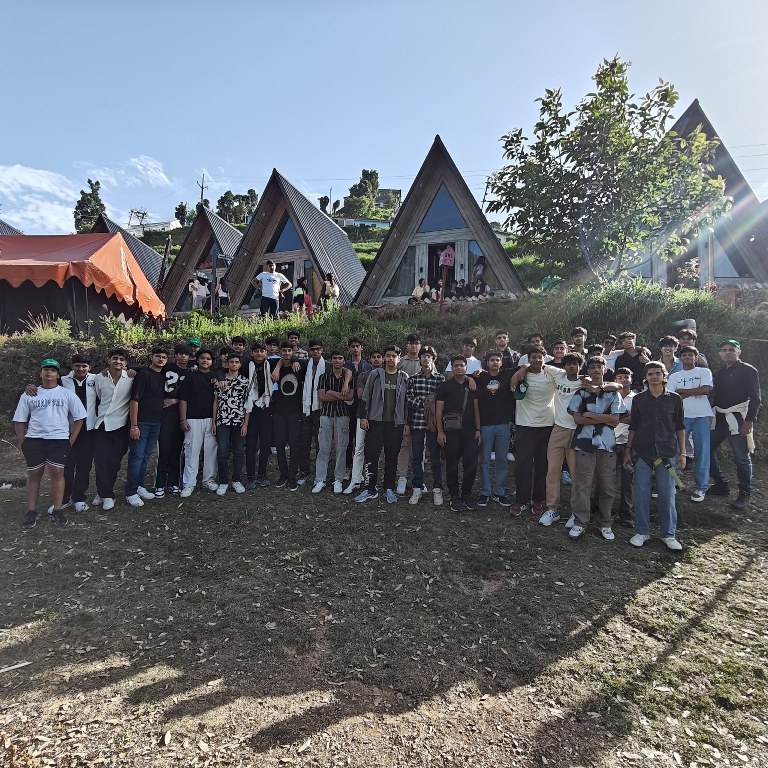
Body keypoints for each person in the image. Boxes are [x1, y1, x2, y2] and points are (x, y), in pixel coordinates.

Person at [14, 359, 87, 528]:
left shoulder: (66, 394)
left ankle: (58, 509)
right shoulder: (30, 394)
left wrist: (70, 440)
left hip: (59, 440)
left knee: (57, 472)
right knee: (34, 474)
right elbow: (19, 420)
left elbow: (80, 417)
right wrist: (23, 442)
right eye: (46, 369)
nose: (49, 372)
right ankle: (31, 511)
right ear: (40, 373)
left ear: (57, 374)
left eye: (53, 370)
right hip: (34, 440)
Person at [623, 362, 686, 551]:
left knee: (667, 495)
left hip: (666, 452)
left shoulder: (675, 399)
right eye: (650, 374)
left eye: (658, 373)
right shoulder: (639, 399)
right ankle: (641, 532)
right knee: (641, 493)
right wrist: (628, 450)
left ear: (664, 376)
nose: (654, 377)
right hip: (642, 451)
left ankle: (669, 534)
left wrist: (683, 452)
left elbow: (680, 426)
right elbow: (633, 426)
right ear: (646, 377)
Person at [566, 357, 625, 540]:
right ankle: (580, 521)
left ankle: (605, 522)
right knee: (583, 484)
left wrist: (591, 414)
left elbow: (615, 420)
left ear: (605, 369)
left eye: (599, 366)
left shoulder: (614, 393)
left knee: (607, 485)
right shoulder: (581, 393)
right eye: (592, 367)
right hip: (584, 443)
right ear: (588, 371)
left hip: (607, 444)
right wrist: (603, 418)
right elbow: (577, 419)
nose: (596, 370)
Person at [708, 339, 761, 509]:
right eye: (724, 350)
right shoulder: (721, 372)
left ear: (739, 352)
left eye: (731, 349)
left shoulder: (748, 370)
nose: (727, 352)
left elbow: (755, 398)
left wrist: (749, 421)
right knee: (705, 449)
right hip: (719, 418)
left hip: (738, 419)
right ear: (720, 354)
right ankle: (721, 483)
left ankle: (745, 492)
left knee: (741, 457)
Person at [356, 346, 409, 504]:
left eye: (394, 356)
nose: (391, 358)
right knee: (371, 455)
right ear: (384, 358)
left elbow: (407, 402)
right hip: (375, 422)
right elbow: (366, 396)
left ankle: (389, 488)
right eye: (388, 356)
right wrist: (363, 417)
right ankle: (370, 488)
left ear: (399, 359)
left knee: (392, 457)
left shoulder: (404, 377)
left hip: (395, 424)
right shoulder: (376, 374)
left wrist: (406, 422)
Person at [539, 353, 584, 526]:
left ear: (580, 366)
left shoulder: (584, 382)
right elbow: (537, 364)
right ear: (564, 366)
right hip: (558, 429)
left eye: (575, 364)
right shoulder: (558, 374)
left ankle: (576, 512)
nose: (572, 366)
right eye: (569, 364)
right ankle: (553, 509)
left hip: (577, 431)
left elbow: (606, 385)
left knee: (576, 474)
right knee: (552, 470)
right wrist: (521, 371)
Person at [666, 346, 713, 503]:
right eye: (684, 355)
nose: (687, 357)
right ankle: (673, 483)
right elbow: (672, 397)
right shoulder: (674, 376)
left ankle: (701, 487)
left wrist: (683, 391)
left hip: (702, 416)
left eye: (690, 355)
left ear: (696, 357)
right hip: (681, 416)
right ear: (680, 358)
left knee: (702, 452)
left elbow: (705, 390)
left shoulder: (704, 372)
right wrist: (694, 390)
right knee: (675, 451)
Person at [436, 356, 481, 512]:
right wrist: (440, 431)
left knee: (471, 463)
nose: (459, 368)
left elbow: (476, 408)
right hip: (451, 432)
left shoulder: (472, 386)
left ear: (466, 368)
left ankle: (466, 494)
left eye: (462, 365)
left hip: (470, 431)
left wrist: (478, 429)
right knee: (452, 464)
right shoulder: (445, 386)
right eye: (455, 365)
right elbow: (439, 410)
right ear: (452, 368)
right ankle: (454, 496)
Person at [126, 348, 168, 507]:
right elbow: (134, 400)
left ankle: (139, 486)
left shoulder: (163, 375)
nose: (161, 359)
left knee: (145, 456)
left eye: (164, 357)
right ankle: (130, 492)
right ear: (151, 357)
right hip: (141, 422)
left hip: (156, 422)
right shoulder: (143, 375)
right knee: (137, 456)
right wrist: (134, 425)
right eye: (158, 356)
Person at [92, 349, 133, 511]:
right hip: (101, 425)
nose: (118, 361)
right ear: (108, 360)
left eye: (122, 359)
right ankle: (107, 495)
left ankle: (103, 491)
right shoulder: (98, 378)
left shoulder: (130, 378)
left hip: (120, 426)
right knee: (101, 461)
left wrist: (134, 370)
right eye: (115, 358)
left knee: (114, 462)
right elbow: (98, 397)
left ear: (126, 363)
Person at [406, 346, 445, 506]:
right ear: (419, 359)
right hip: (417, 422)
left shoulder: (440, 379)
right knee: (417, 457)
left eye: (429, 356)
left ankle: (437, 489)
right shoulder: (413, 379)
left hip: (434, 424)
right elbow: (409, 397)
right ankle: (417, 487)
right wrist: (426, 404)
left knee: (435, 457)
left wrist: (433, 407)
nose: (426, 359)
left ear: (433, 359)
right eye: (423, 356)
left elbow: (443, 400)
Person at [178, 348, 219, 497]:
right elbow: (183, 399)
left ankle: (209, 480)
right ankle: (189, 483)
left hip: (211, 419)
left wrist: (215, 421)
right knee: (192, 451)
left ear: (212, 362)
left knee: (211, 451)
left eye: (208, 358)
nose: (205, 361)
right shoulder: (190, 376)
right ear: (197, 360)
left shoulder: (215, 377)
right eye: (202, 358)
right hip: (193, 419)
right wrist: (183, 419)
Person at [475, 351, 514, 508]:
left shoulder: (507, 374)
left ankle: (499, 492)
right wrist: (472, 376)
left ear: (501, 363)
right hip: (486, 425)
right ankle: (485, 492)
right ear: (487, 362)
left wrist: (519, 374)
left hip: (503, 425)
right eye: (492, 360)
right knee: (484, 460)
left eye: (498, 360)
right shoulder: (481, 377)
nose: (495, 362)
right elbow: (463, 376)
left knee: (502, 460)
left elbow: (526, 366)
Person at [312, 351, 353, 494]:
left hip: (343, 415)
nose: (337, 360)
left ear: (344, 361)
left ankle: (339, 479)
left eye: (340, 358)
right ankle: (320, 479)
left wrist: (331, 393)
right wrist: (340, 395)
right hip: (326, 415)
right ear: (331, 360)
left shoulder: (348, 377)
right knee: (323, 448)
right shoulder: (324, 377)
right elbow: (322, 397)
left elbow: (350, 397)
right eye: (335, 358)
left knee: (341, 449)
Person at [154, 343, 191, 497]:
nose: (183, 356)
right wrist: (130, 370)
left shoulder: (191, 372)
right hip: (165, 414)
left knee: (177, 449)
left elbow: (191, 395)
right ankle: (159, 484)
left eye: (186, 354)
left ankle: (174, 482)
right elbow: (147, 371)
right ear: (175, 355)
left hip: (182, 414)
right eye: (180, 353)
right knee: (164, 448)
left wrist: (175, 401)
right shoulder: (167, 368)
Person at [270, 341, 308, 490]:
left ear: (293, 352)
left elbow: (314, 363)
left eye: (289, 351)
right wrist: (278, 366)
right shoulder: (274, 364)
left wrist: (296, 360)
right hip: (278, 411)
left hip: (294, 411)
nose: (286, 353)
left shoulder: (300, 365)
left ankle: (292, 476)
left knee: (294, 444)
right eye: (284, 351)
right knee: (279, 445)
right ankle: (283, 474)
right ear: (280, 352)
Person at [345, 349, 383, 495]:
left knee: (375, 452)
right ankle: (355, 480)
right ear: (370, 360)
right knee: (359, 448)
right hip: (363, 415)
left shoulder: (388, 375)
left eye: (379, 357)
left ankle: (371, 481)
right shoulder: (363, 375)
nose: (376, 359)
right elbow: (361, 395)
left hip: (380, 418)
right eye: (373, 357)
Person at [212, 353, 249, 495]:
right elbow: (216, 402)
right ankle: (223, 481)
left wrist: (245, 424)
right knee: (222, 451)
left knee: (238, 451)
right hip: (222, 421)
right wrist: (214, 422)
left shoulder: (245, 381)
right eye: (231, 362)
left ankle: (236, 480)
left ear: (240, 364)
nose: (234, 364)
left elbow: (248, 405)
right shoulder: (220, 381)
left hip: (238, 421)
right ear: (227, 364)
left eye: (236, 362)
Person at [395, 333, 423, 494]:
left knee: (420, 446)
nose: (414, 346)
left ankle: (419, 479)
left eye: (416, 343)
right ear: (407, 345)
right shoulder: (401, 362)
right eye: (411, 343)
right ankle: (402, 477)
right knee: (404, 444)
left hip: (420, 409)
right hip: (403, 408)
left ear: (420, 346)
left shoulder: (425, 361)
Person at [243, 342, 273, 489]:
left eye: (262, 351)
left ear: (266, 353)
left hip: (266, 407)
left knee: (265, 443)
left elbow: (286, 360)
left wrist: (278, 368)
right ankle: (250, 476)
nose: (259, 354)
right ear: (252, 353)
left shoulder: (271, 364)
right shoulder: (245, 366)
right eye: (256, 351)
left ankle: (262, 474)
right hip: (251, 408)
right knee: (251, 444)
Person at [344, 337, 372, 475]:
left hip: (363, 404)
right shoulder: (344, 364)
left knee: (362, 438)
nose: (355, 348)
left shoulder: (368, 366)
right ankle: (347, 466)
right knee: (348, 437)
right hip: (347, 404)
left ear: (362, 348)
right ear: (349, 349)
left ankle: (363, 467)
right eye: (353, 346)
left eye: (357, 346)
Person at [612, 367, 636, 528]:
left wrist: (615, 418)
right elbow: (607, 418)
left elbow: (636, 419)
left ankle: (626, 513)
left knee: (628, 480)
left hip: (629, 443)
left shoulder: (637, 398)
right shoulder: (610, 396)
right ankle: (598, 507)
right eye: (619, 377)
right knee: (605, 478)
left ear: (631, 379)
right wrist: (622, 417)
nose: (623, 379)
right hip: (610, 441)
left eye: (626, 377)